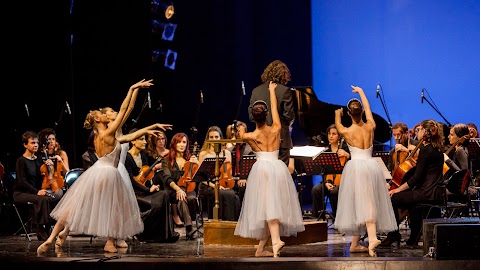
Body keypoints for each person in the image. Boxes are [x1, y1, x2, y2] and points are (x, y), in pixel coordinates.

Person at [37, 80, 164, 255]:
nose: (108, 115)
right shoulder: (108, 132)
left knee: (75, 205)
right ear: (98, 118)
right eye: (103, 114)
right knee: (112, 207)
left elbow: (130, 129)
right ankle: (110, 241)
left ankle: (51, 239)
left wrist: (151, 127)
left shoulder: (98, 136)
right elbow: (127, 108)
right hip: (109, 173)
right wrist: (132, 89)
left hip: (96, 171)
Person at [235, 82, 305, 258]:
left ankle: (262, 248)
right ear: (266, 115)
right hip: (276, 168)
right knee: (272, 206)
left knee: (269, 206)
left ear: (253, 116)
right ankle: (275, 241)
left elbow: (243, 138)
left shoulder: (250, 136)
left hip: (261, 169)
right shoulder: (276, 128)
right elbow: (275, 108)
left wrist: (241, 131)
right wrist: (272, 92)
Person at [333, 85, 397, 257]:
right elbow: (369, 108)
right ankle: (357, 243)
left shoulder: (346, 130)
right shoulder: (370, 125)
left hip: (356, 168)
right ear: (362, 112)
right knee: (365, 203)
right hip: (370, 166)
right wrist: (361, 92)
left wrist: (337, 115)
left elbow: (338, 125)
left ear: (349, 114)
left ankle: (372, 237)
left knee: (364, 203)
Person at [380, 119, 445, 248]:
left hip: (427, 193)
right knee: (412, 202)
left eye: (419, 130)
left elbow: (416, 178)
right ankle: (413, 237)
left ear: (426, 132)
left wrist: (397, 190)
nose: (417, 132)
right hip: (436, 192)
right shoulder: (438, 148)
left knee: (392, 198)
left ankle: (393, 234)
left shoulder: (426, 150)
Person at [124, 129, 179, 243]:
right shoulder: (127, 157)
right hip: (133, 193)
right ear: (133, 141)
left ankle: (165, 234)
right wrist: (149, 189)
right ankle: (145, 233)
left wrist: (152, 186)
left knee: (164, 195)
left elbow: (145, 176)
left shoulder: (143, 156)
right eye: (142, 139)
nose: (145, 142)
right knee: (156, 204)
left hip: (143, 190)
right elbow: (131, 181)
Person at [248, 60, 295, 166]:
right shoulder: (285, 91)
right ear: (283, 74)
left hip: (261, 140)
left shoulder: (256, 91)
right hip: (280, 139)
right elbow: (289, 116)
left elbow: (251, 117)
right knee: (280, 175)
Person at [13, 131, 57, 241]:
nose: (36, 145)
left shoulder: (37, 160)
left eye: (37, 142)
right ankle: (40, 228)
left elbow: (42, 179)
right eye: (32, 143)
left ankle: (46, 227)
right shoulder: (21, 160)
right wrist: (36, 191)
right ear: (25, 145)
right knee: (42, 199)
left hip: (34, 192)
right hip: (21, 193)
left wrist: (49, 168)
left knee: (50, 198)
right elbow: (21, 182)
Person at [198, 126, 240, 221]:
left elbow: (229, 173)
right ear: (208, 139)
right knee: (219, 194)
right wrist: (215, 186)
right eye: (211, 137)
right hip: (209, 185)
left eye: (216, 137)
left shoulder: (226, 153)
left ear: (220, 138)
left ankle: (231, 223)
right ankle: (218, 223)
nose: (214, 139)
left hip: (223, 183)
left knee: (232, 194)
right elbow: (202, 178)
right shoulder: (203, 154)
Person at [160, 133, 197, 239]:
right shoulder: (166, 160)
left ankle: (189, 227)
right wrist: (178, 190)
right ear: (174, 144)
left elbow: (198, 177)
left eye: (184, 142)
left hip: (187, 188)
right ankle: (189, 228)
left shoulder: (190, 159)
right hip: (172, 190)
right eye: (179, 142)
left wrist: (196, 164)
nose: (182, 145)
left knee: (185, 197)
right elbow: (167, 179)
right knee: (181, 195)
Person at [310, 124, 350, 220]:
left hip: (344, 182)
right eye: (329, 134)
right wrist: (326, 182)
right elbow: (323, 170)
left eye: (334, 134)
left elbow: (353, 164)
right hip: (328, 181)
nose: (331, 136)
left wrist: (347, 155)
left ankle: (338, 218)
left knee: (334, 192)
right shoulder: (326, 150)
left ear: (339, 136)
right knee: (316, 189)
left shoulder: (346, 149)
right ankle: (318, 218)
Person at [37, 128, 70, 201]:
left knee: (54, 195)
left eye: (53, 139)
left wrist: (60, 161)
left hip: (58, 185)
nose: (51, 141)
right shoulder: (39, 155)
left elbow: (67, 173)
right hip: (44, 185)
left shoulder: (61, 153)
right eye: (49, 139)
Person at [226, 121, 253, 204]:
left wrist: (244, 178)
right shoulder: (230, 150)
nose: (237, 133)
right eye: (236, 131)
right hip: (233, 179)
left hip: (246, 179)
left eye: (240, 131)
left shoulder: (250, 149)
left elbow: (251, 168)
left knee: (243, 187)